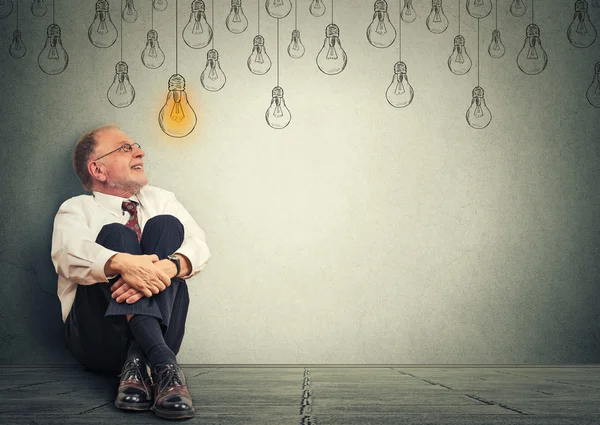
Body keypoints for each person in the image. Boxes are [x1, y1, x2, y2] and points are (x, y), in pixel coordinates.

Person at [51, 124, 211, 420]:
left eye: (135, 145)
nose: (140, 151)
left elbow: (198, 245)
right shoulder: (77, 209)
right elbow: (66, 255)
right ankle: (165, 365)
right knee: (116, 237)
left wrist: (168, 266)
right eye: (125, 148)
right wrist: (123, 264)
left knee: (167, 227)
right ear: (98, 169)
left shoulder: (161, 199)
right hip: (97, 340)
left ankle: (140, 363)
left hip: (163, 334)